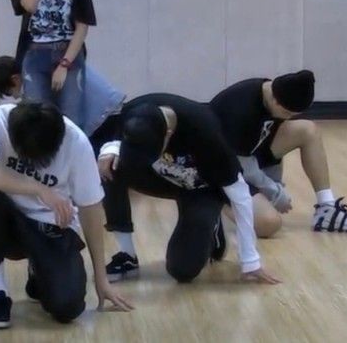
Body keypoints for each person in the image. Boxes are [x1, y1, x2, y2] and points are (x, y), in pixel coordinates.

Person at [0, 102, 132, 329]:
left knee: (68, 308)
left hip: (51, 226)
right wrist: (39, 189)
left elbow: (90, 208)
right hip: (8, 219)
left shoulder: (76, 143)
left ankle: (38, 271)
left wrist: (101, 277)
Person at [93, 94, 280, 285]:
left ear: (168, 134)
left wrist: (250, 260)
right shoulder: (134, 112)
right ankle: (126, 255)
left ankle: (212, 225)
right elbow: (114, 136)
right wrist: (110, 149)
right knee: (109, 168)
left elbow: (240, 196)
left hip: (200, 187)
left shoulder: (207, 133)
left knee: (182, 270)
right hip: (161, 178)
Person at [210, 70, 347, 236]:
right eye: (287, 113)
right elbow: (244, 167)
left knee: (307, 130)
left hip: (244, 159)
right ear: (276, 101)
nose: (287, 118)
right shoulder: (241, 111)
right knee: (269, 223)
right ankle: (212, 201)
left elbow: (268, 143)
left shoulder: (275, 95)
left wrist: (274, 185)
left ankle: (327, 207)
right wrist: (274, 191)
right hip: (217, 170)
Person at [8, 0, 96, 128]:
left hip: (69, 53)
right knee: (35, 119)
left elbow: (82, 26)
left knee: (72, 120)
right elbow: (29, 5)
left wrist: (65, 64)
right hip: (34, 53)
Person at [0, 55, 124, 136]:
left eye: (9, 93)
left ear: (15, 79)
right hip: (107, 108)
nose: (15, 98)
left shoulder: (35, 81)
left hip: (103, 116)